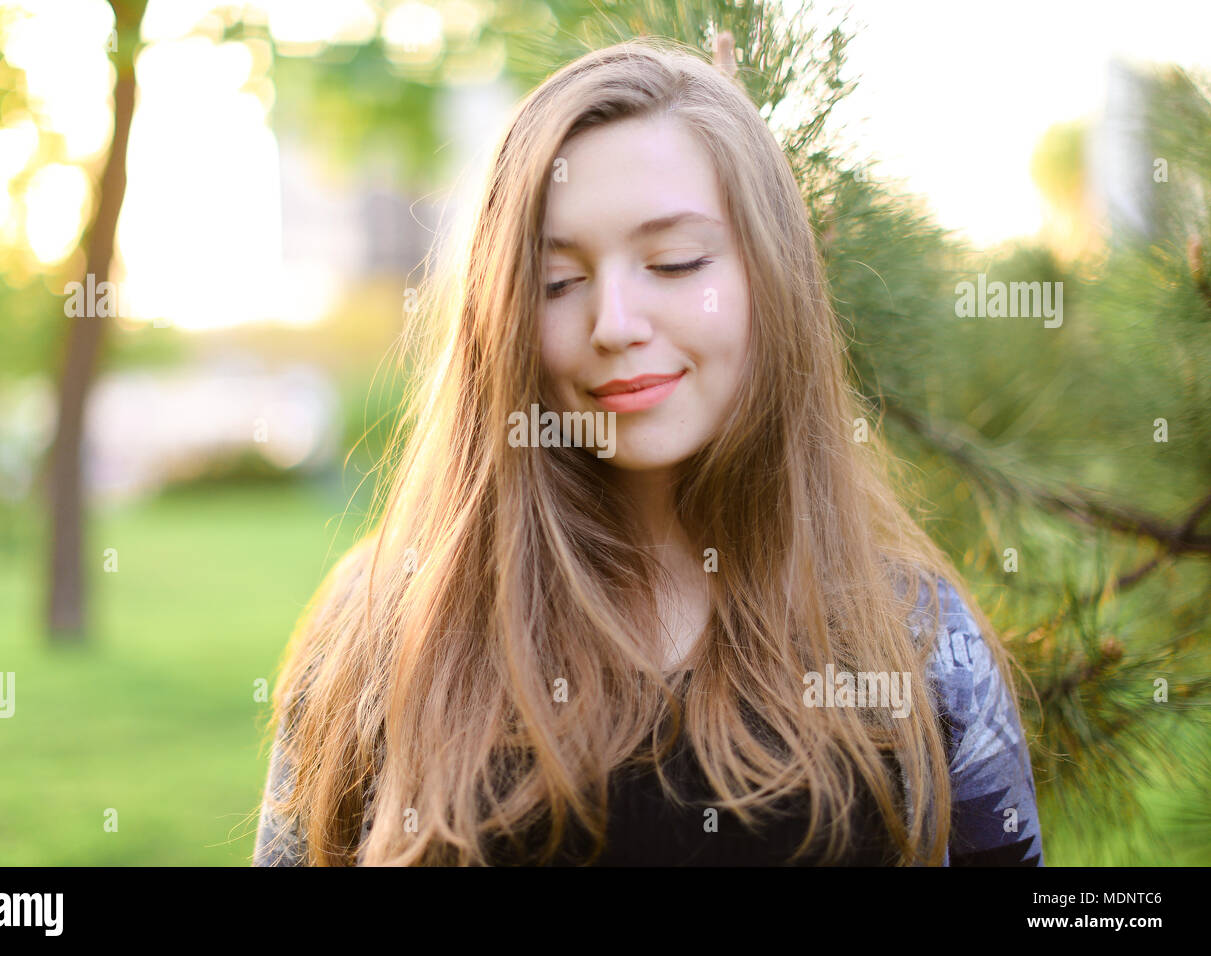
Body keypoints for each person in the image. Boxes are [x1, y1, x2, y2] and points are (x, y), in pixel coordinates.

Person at [252, 36, 1043, 867]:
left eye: (673, 263)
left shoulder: (917, 639)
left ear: (769, 277)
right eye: (559, 282)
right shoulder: (379, 630)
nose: (615, 322)